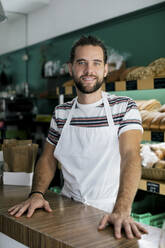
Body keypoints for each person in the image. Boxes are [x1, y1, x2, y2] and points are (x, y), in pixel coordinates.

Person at [8, 35, 148, 239]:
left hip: (110, 214)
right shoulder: (61, 112)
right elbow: (48, 158)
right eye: (81, 63)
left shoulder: (124, 107)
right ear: (70, 68)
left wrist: (121, 210)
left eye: (96, 63)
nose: (89, 70)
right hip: (68, 210)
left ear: (106, 69)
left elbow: (130, 155)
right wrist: (37, 194)